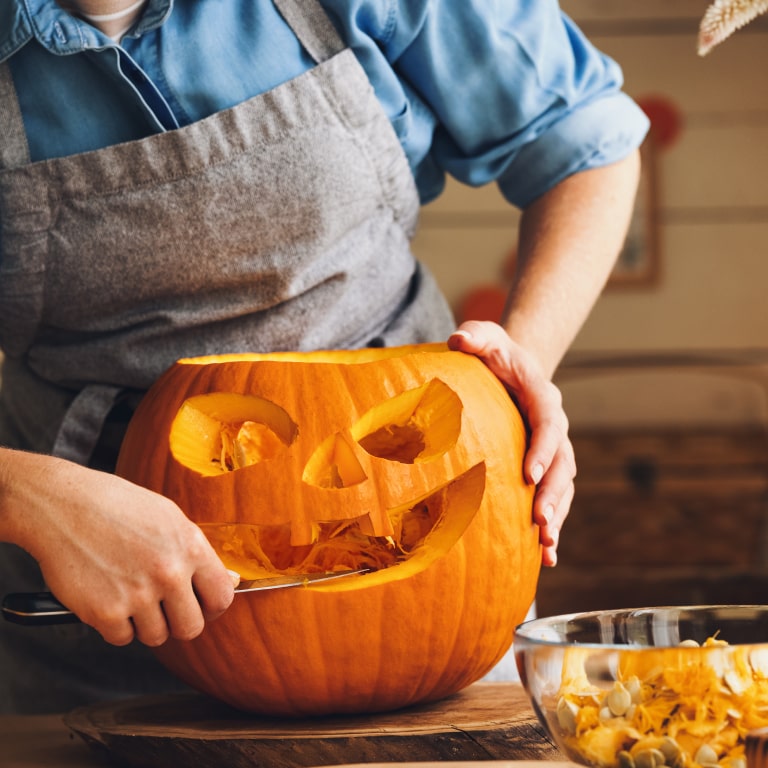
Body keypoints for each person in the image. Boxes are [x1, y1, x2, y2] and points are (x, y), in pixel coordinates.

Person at [0, 0, 649, 713]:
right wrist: (23, 496)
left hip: (431, 619)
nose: (324, 484)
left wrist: (521, 362)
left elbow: (584, 136)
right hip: (78, 620)